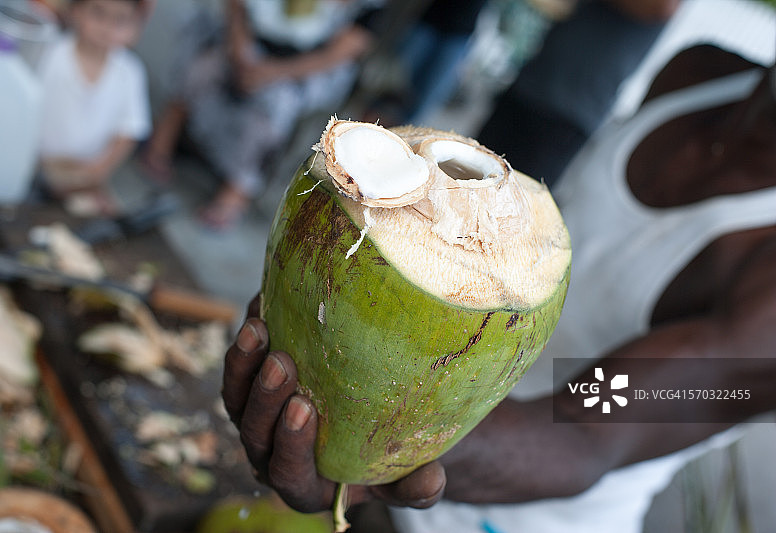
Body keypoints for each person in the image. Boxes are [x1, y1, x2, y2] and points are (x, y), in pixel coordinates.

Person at [220, 40, 776, 533]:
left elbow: (586, 428)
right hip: (405, 445)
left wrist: (374, 453)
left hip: (517, 512)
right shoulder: (698, 72)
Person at [141, 0, 375, 230]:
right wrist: (238, 44)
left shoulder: (365, 9)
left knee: (274, 108)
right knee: (205, 67)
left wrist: (271, 72)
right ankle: (165, 137)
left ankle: (237, 189)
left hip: (298, 69)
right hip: (246, 39)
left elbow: (339, 53)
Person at [477, 0, 681, 185]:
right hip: (536, 80)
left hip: (572, 108)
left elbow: (662, 6)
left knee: (513, 198)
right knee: (467, 173)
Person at [35, 0, 151, 216]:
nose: (107, 27)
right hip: (36, 166)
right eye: (98, 14)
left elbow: (128, 133)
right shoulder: (51, 53)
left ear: (136, 28)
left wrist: (97, 171)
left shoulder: (130, 72)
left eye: (120, 20)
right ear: (75, 11)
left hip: (85, 175)